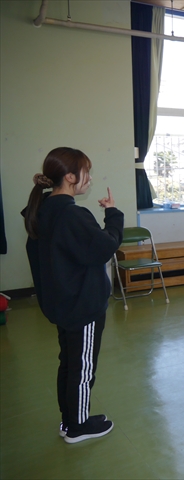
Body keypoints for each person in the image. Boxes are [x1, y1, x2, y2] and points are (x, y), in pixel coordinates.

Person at [23, 147, 123, 443]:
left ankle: (70, 420)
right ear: (69, 177)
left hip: (61, 302)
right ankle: (78, 427)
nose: (89, 178)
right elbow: (106, 246)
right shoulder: (71, 214)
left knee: (69, 363)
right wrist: (113, 214)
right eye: (85, 172)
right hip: (82, 305)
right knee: (82, 367)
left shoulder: (43, 209)